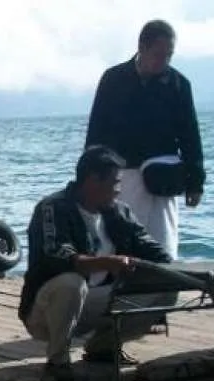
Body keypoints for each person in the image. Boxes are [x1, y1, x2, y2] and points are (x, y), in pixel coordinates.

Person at [18, 146, 174, 381]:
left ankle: (104, 347)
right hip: (48, 310)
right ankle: (58, 360)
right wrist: (108, 263)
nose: (119, 189)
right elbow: (58, 256)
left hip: (97, 302)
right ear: (93, 180)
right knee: (72, 283)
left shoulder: (119, 212)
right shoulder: (52, 208)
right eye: (115, 182)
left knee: (167, 286)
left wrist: (181, 273)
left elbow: (153, 250)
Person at [85, 19, 204, 262]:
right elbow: (96, 129)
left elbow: (190, 136)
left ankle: (163, 282)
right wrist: (89, 176)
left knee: (163, 245)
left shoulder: (178, 85)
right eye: (158, 54)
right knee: (115, 243)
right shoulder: (113, 79)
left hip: (161, 178)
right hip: (120, 176)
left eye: (169, 55)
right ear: (142, 47)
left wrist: (195, 182)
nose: (164, 61)